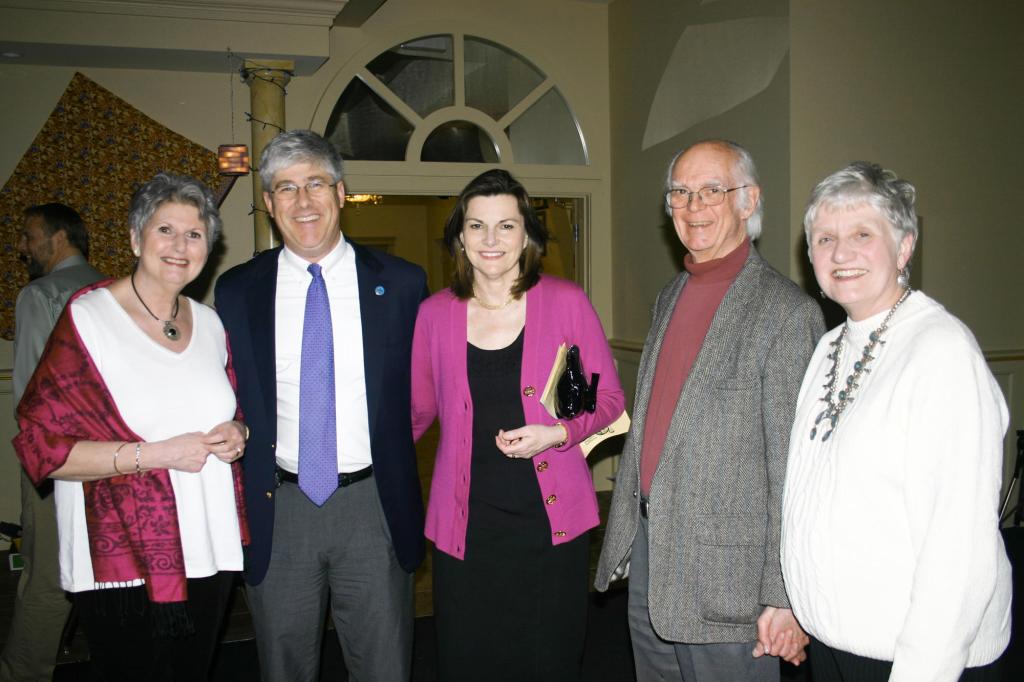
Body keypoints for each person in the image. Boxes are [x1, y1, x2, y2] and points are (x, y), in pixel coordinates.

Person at [595, 139, 825, 681]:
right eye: (680, 192)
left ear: (748, 201)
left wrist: (784, 596)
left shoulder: (786, 314)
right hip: (654, 554)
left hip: (731, 580)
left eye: (711, 191)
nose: (692, 205)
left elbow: (795, 475)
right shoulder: (670, 296)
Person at [13, 173, 249, 682]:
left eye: (194, 234)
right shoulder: (89, 319)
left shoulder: (209, 323)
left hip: (207, 541)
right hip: (119, 551)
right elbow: (44, 448)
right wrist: (157, 454)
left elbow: (228, 410)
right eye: (166, 230)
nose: (180, 246)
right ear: (135, 237)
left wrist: (237, 433)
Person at [781, 162, 1012, 681]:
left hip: (912, 658)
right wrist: (795, 603)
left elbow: (959, 543)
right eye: (824, 238)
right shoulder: (829, 345)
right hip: (837, 641)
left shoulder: (941, 351)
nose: (840, 254)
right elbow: (810, 493)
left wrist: (922, 671)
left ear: (904, 247)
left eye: (862, 234)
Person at [214, 129, 427, 682]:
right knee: (283, 667)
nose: (303, 201)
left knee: (383, 665)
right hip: (278, 507)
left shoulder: (402, 283)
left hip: (372, 505)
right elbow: (224, 387)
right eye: (286, 188)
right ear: (267, 203)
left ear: (341, 192)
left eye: (315, 184)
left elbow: (427, 390)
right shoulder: (237, 290)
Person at [411, 169, 625, 681]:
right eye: (477, 226)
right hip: (466, 529)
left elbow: (610, 402)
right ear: (459, 237)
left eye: (506, 226)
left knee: (547, 660)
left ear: (526, 235)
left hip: (550, 530)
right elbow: (412, 415)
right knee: (468, 660)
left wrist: (556, 434)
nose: (491, 240)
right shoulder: (434, 315)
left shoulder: (566, 301)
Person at [1, 203, 103, 682]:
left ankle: (24, 674)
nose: (22, 246)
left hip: (58, 458)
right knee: (110, 572)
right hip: (115, 459)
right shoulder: (113, 289)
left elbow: (30, 393)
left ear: (59, 237)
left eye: (28, 235)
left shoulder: (38, 294)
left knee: (46, 578)